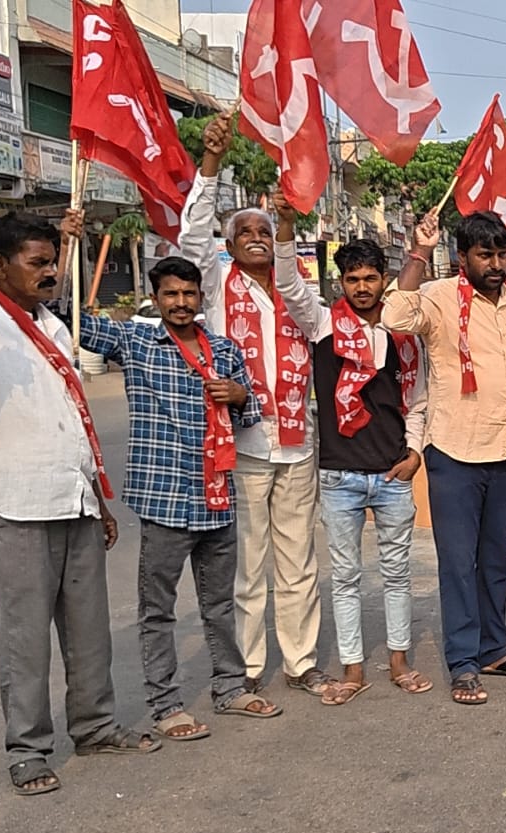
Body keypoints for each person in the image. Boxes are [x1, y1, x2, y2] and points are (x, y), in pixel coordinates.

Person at [0, 212, 159, 796]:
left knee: (90, 634)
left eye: (53, 261)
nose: (52, 272)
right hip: (15, 507)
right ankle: (27, 749)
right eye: (37, 262)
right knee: (24, 640)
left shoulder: (55, 326)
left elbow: (70, 418)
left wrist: (97, 500)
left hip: (73, 501)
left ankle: (95, 726)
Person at [80, 255, 283, 741]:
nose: (180, 302)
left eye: (189, 293)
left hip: (217, 496)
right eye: (170, 294)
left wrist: (238, 396)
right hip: (165, 499)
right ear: (155, 298)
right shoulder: (136, 342)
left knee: (219, 605)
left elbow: (251, 411)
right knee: (158, 610)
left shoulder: (224, 350)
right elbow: (77, 326)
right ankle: (166, 705)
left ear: (201, 297)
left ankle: (230, 688)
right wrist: (72, 254)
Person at [184, 115, 332, 699]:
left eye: (264, 231)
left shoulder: (299, 296)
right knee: (248, 565)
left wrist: (288, 229)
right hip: (242, 443)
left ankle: (300, 662)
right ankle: (247, 666)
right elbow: (192, 240)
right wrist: (211, 166)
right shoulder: (218, 289)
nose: (255, 237)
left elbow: (301, 300)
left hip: (296, 445)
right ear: (228, 245)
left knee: (299, 562)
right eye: (244, 231)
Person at [270, 197, 433, 705]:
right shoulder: (322, 325)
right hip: (339, 475)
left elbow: (418, 400)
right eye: (352, 279)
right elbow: (288, 284)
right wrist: (285, 226)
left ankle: (399, 662)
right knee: (344, 578)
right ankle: (353, 669)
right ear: (341, 282)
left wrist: (414, 453)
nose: (362, 288)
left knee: (397, 574)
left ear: (384, 279)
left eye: (370, 278)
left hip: (392, 474)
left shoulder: (402, 334)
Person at [385, 210, 506, 704]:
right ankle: (463, 662)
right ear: (462, 257)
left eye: (501, 254)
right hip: (454, 451)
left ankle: (493, 648)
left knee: (495, 559)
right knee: (458, 562)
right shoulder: (438, 297)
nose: (496, 265)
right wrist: (418, 251)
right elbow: (395, 316)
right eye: (484, 255)